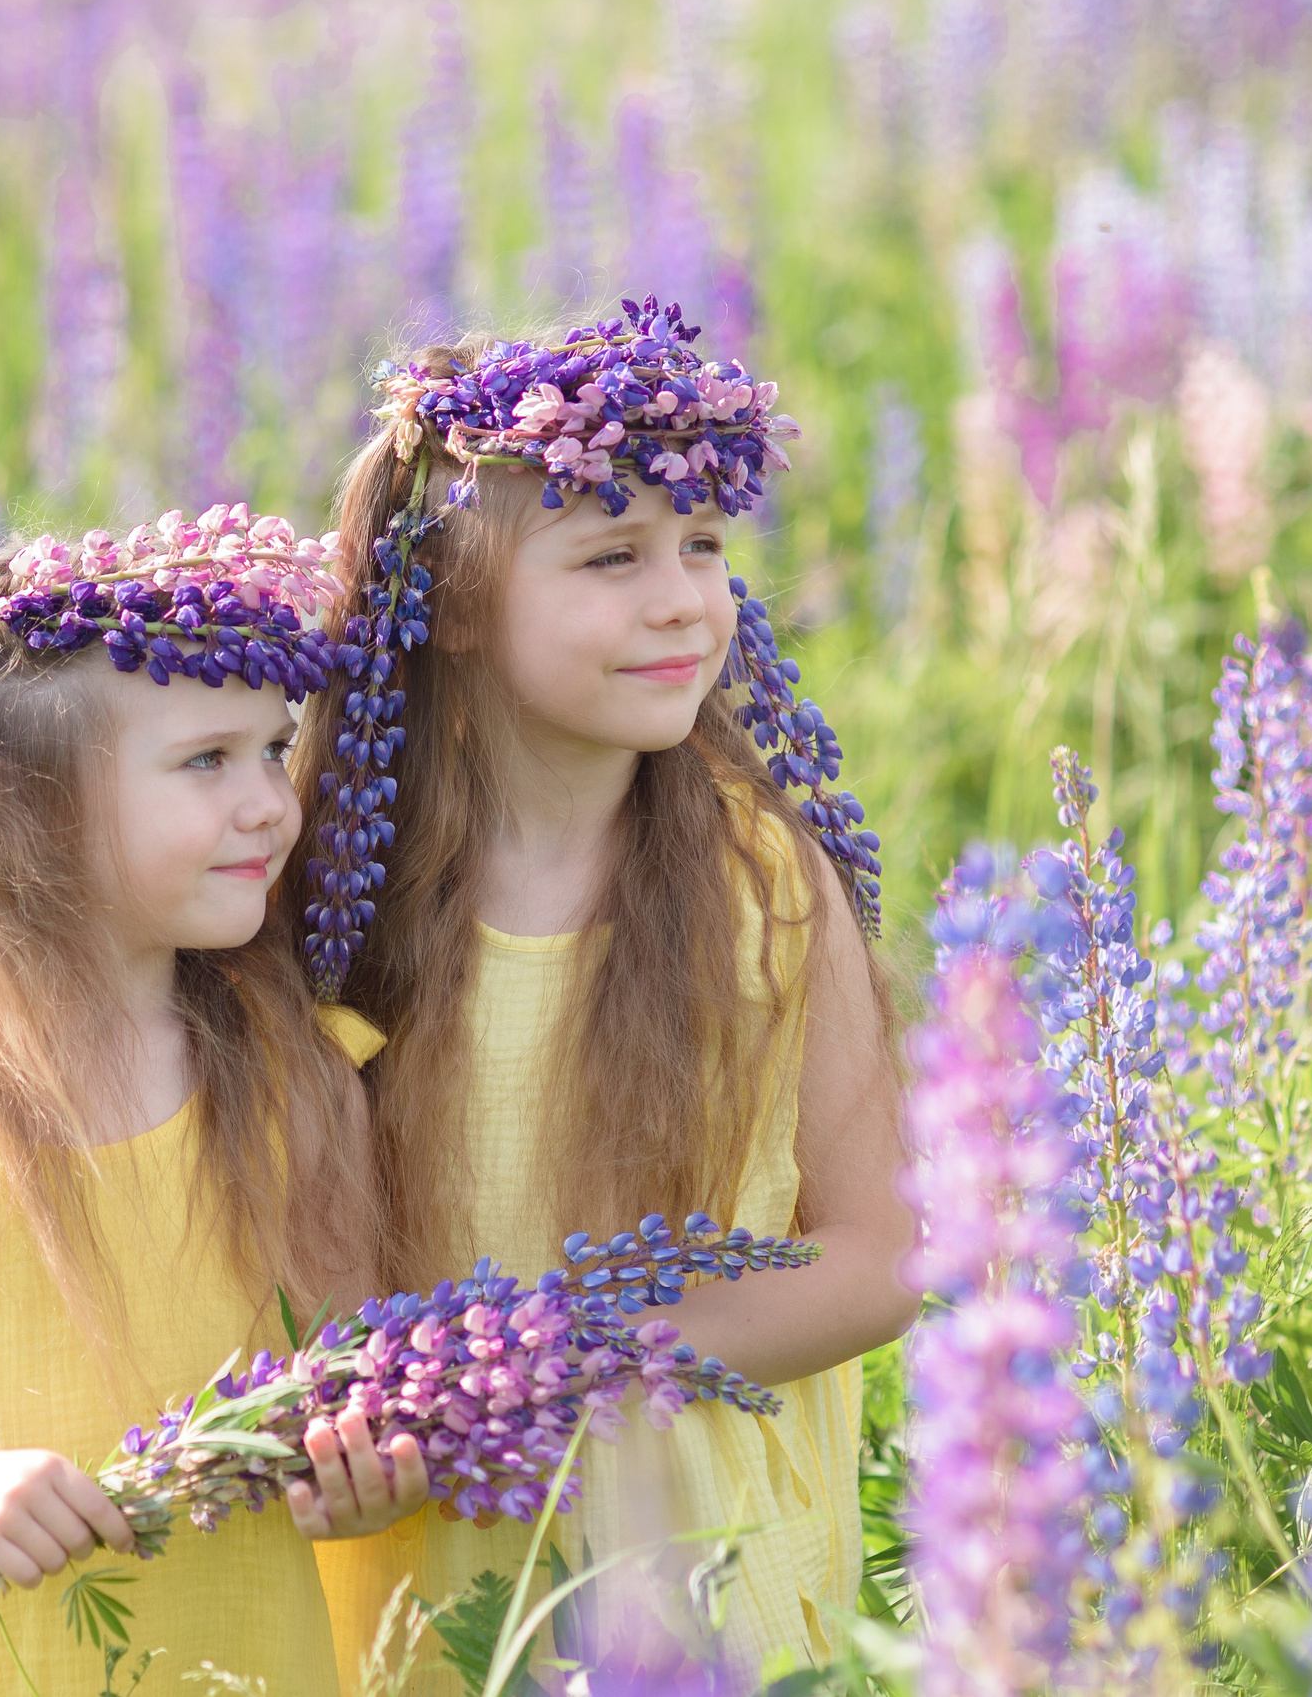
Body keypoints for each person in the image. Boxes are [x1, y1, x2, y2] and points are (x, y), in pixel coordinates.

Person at [289, 297, 916, 1685]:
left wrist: (588, 1353)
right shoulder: (334, 908)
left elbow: (885, 1251)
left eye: (700, 545)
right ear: (451, 600)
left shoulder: (766, 883)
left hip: (720, 1581)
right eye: (612, 555)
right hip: (448, 1590)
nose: (682, 598)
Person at [0, 506, 427, 1696]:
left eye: (271, 747)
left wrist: (368, 1469)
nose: (268, 801)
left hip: (236, 1659)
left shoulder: (297, 1085)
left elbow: (340, 1393)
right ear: (27, 809)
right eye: (206, 760)